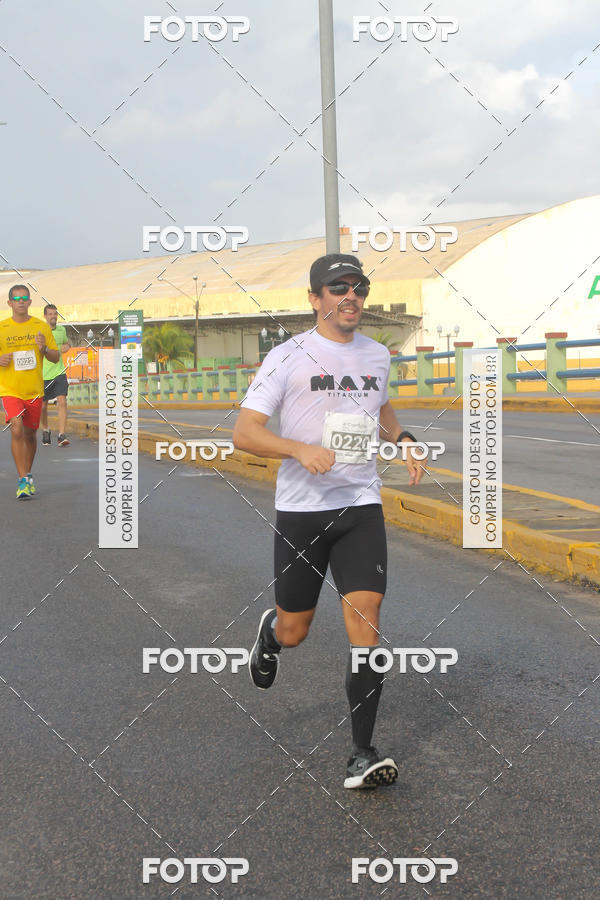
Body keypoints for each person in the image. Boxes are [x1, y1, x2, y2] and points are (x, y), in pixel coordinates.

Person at [233, 253, 426, 789]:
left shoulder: (377, 354)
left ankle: (363, 754)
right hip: (302, 512)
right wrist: (298, 449)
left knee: (367, 618)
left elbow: (379, 407)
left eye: (358, 287)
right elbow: (245, 432)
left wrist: (402, 438)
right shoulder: (287, 356)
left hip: (360, 506)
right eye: (337, 287)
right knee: (296, 629)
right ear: (315, 298)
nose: (350, 296)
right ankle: (271, 636)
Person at [0, 285, 59, 498]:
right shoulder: (2, 328)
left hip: (34, 390)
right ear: (10, 303)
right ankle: (22, 480)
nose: (21, 302)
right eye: (17, 299)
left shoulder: (40, 327)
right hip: (10, 389)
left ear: (30, 302)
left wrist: (44, 348)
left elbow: (55, 357)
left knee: (30, 435)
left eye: (24, 298)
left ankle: (28, 473)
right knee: (16, 429)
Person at [40, 303, 71, 446]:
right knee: (43, 407)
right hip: (43, 374)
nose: (53, 316)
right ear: (45, 316)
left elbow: (66, 343)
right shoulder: (40, 331)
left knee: (62, 402)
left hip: (59, 371)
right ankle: (46, 430)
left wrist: (67, 346)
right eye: (50, 314)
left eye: (55, 314)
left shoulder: (61, 330)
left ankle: (61, 435)